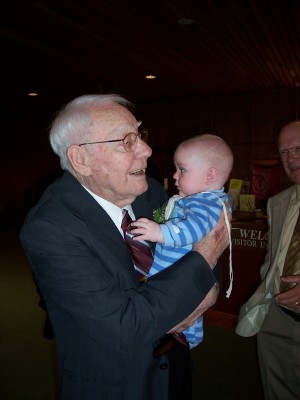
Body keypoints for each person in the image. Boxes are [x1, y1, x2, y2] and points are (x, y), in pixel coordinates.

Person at [20, 94, 230, 400]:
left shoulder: (151, 192)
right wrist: (206, 259)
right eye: (127, 141)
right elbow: (126, 327)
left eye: (140, 135)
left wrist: (208, 289)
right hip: (116, 383)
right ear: (81, 159)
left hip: (175, 363)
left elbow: (197, 246)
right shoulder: (50, 228)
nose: (146, 149)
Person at [130, 134, 233, 349]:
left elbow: (192, 230)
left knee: (186, 312)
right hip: (170, 273)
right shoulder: (200, 199)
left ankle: (189, 338)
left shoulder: (206, 203)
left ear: (210, 175)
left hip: (178, 273)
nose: (175, 176)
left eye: (182, 170)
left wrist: (159, 232)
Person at [235, 121, 300, 400]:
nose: (290, 158)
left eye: (298, 148)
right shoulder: (278, 202)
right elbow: (272, 258)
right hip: (276, 319)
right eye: (284, 151)